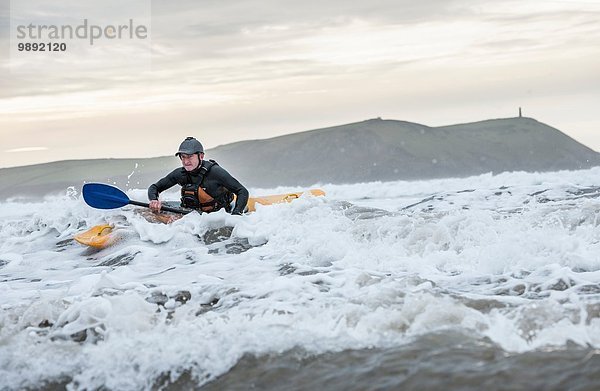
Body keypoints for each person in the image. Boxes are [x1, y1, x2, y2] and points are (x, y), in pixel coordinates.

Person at [148, 137, 249, 215]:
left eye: (190, 156)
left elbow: (242, 191)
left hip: (219, 214)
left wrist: (236, 215)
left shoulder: (215, 172)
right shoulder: (180, 174)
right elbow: (155, 187)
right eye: (183, 157)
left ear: (201, 156)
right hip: (193, 215)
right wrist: (154, 200)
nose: (186, 161)